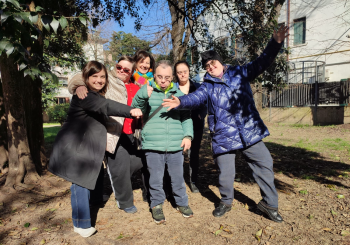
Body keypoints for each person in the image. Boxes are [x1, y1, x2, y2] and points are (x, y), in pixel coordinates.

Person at [162, 25, 289, 223]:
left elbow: (263, 62)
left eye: (213, 63)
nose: (211, 67)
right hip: (223, 134)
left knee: (265, 164)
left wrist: (275, 43)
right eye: (207, 66)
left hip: (249, 130)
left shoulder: (240, 73)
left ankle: (269, 204)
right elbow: (195, 98)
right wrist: (180, 101)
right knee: (226, 173)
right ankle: (226, 201)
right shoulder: (207, 86)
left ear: (220, 62)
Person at [48, 61, 142, 237]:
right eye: (94, 76)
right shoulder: (85, 96)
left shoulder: (96, 93)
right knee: (80, 182)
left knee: (89, 176)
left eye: (102, 77)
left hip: (87, 145)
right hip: (75, 145)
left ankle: (90, 209)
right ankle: (81, 224)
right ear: (87, 78)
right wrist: (131, 110)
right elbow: (107, 106)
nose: (99, 80)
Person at [68, 56, 144, 214]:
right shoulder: (107, 78)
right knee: (117, 166)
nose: (121, 71)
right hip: (112, 131)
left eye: (126, 70)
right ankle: (124, 202)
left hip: (132, 132)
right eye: (119, 67)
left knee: (138, 161)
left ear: (132, 72)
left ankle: (102, 192)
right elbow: (82, 75)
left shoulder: (136, 85)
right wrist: (79, 85)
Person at [131, 60, 194, 224]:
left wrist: (188, 136)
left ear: (172, 77)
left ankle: (182, 203)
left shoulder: (179, 94)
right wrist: (142, 94)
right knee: (156, 178)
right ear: (154, 76)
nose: (163, 80)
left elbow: (186, 118)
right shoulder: (148, 92)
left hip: (175, 145)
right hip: (153, 144)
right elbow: (135, 108)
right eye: (159, 77)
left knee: (178, 177)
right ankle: (157, 205)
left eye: (167, 77)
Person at [174, 61, 207, 193]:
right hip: (177, 125)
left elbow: (205, 104)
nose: (182, 75)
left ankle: (193, 181)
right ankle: (178, 180)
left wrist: (200, 116)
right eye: (179, 72)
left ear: (189, 72)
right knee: (177, 153)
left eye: (185, 71)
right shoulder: (172, 88)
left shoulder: (198, 87)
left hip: (196, 125)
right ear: (176, 74)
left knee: (194, 154)